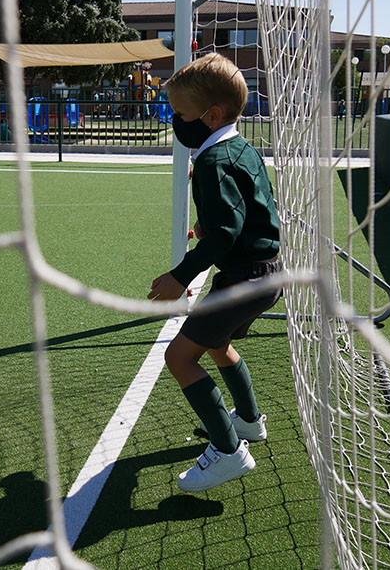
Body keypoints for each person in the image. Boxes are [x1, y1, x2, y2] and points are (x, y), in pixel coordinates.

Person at [148, 52, 282, 492]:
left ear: (211, 115)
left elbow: (226, 231)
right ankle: (249, 422)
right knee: (219, 346)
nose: (175, 121)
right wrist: (211, 227)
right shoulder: (240, 148)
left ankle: (228, 453)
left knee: (179, 357)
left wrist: (181, 275)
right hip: (267, 274)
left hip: (243, 280)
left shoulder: (212, 161)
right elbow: (250, 209)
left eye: (181, 113)